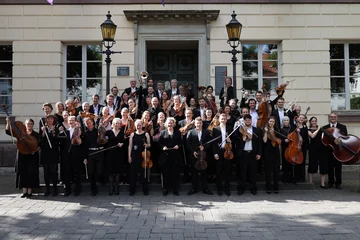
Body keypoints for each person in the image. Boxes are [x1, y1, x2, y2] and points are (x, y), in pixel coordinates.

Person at [5, 118, 40, 198]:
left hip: (32, 155)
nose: (29, 125)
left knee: (31, 172)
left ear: (33, 125)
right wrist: (8, 122)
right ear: (25, 125)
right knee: (23, 172)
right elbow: (8, 131)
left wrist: (35, 150)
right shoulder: (20, 133)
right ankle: (24, 191)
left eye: (31, 124)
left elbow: (40, 145)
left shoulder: (36, 134)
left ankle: (30, 191)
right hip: (22, 154)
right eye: (28, 124)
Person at [233, 114, 262, 195]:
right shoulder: (240, 130)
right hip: (243, 154)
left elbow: (259, 143)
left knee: (252, 172)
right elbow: (234, 137)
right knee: (242, 171)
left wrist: (259, 153)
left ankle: (253, 187)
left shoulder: (256, 130)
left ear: (251, 121)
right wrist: (238, 127)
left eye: (249, 120)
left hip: (252, 153)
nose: (248, 121)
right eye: (246, 120)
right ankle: (241, 188)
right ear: (244, 121)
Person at [186, 117, 213, 195]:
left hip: (203, 156)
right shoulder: (190, 132)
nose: (198, 124)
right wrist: (193, 151)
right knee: (194, 173)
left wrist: (205, 147)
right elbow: (188, 143)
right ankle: (194, 188)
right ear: (195, 124)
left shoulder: (206, 132)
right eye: (197, 123)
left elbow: (209, 143)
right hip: (194, 155)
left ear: (202, 123)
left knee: (204, 172)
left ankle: (205, 188)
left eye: (200, 123)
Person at [322, 112, 347, 189]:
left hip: (339, 150)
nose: (333, 118)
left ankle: (338, 183)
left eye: (334, 117)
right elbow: (323, 139)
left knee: (338, 167)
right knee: (330, 167)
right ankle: (330, 182)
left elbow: (345, 137)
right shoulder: (325, 128)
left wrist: (339, 140)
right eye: (331, 117)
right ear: (329, 118)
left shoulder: (342, 127)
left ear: (337, 118)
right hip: (329, 150)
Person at [158, 117, 182, 196]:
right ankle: (165, 189)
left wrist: (178, 146)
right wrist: (163, 147)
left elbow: (181, 143)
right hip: (165, 156)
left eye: (171, 123)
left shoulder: (178, 132)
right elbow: (159, 144)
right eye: (168, 123)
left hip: (175, 156)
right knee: (166, 173)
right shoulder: (163, 132)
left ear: (174, 124)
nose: (170, 124)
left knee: (175, 172)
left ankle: (175, 189)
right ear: (166, 124)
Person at [128, 119, 151, 196]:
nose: (139, 126)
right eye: (137, 125)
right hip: (134, 156)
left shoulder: (146, 134)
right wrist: (129, 156)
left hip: (143, 156)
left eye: (140, 125)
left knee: (144, 174)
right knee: (133, 174)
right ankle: (132, 190)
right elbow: (130, 146)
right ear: (135, 126)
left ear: (142, 125)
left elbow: (149, 144)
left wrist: (147, 145)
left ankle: (145, 190)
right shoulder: (132, 135)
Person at [83, 118, 105, 196]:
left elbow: (103, 141)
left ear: (93, 122)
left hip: (99, 152)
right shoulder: (85, 133)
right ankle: (93, 189)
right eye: (87, 123)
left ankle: (102, 180)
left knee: (99, 170)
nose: (89, 124)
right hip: (90, 153)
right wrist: (85, 158)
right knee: (91, 172)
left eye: (90, 122)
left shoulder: (98, 131)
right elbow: (84, 147)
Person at [62, 116, 83, 196]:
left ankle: (77, 189)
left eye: (72, 120)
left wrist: (78, 137)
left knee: (77, 172)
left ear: (75, 121)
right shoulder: (65, 131)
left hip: (76, 154)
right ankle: (68, 190)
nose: (71, 122)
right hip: (67, 155)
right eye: (70, 120)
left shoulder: (78, 130)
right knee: (67, 173)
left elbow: (81, 143)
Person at [212, 113, 232, 196]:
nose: (223, 120)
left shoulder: (230, 128)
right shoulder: (215, 129)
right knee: (218, 171)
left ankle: (227, 189)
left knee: (227, 171)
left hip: (227, 151)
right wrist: (215, 153)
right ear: (219, 120)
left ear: (226, 120)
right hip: (219, 152)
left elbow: (234, 141)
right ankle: (219, 188)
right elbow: (213, 143)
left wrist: (230, 141)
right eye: (222, 119)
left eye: (224, 119)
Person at [39, 114, 59, 196]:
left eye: (51, 119)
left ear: (53, 120)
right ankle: (47, 189)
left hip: (53, 153)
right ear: (46, 121)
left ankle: (55, 189)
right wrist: (43, 133)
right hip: (45, 153)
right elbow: (40, 141)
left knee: (54, 172)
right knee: (46, 172)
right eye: (48, 119)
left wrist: (54, 132)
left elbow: (58, 141)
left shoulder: (56, 128)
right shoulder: (43, 129)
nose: (50, 120)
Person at [105, 118, 125, 195]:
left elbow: (125, 143)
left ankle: (116, 187)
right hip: (110, 154)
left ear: (120, 125)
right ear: (112, 124)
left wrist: (122, 144)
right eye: (115, 123)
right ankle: (111, 187)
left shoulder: (122, 132)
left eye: (118, 123)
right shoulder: (108, 132)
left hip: (119, 154)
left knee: (117, 171)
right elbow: (103, 141)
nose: (116, 124)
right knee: (110, 171)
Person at [308, 117, 328, 189]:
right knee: (312, 164)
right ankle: (310, 182)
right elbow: (312, 136)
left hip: (322, 149)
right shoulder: (308, 130)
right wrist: (318, 129)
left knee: (323, 165)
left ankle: (322, 183)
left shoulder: (321, 129)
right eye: (312, 121)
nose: (314, 122)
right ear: (310, 122)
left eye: (315, 121)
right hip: (313, 149)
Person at [263, 116, 281, 194]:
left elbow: (279, 142)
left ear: (275, 123)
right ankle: (268, 187)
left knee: (276, 171)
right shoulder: (265, 130)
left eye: (273, 122)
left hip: (276, 151)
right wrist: (266, 132)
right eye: (270, 121)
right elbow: (264, 141)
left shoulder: (277, 130)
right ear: (268, 122)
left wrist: (277, 140)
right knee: (268, 171)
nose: (271, 123)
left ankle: (276, 187)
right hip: (267, 151)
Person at [279, 116, 295, 185]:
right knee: (285, 163)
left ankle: (292, 178)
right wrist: (284, 140)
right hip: (285, 148)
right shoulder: (281, 130)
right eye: (284, 120)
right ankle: (285, 179)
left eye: (287, 120)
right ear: (283, 122)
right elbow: (279, 140)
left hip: (292, 148)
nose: (286, 121)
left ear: (289, 121)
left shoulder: (292, 129)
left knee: (292, 163)